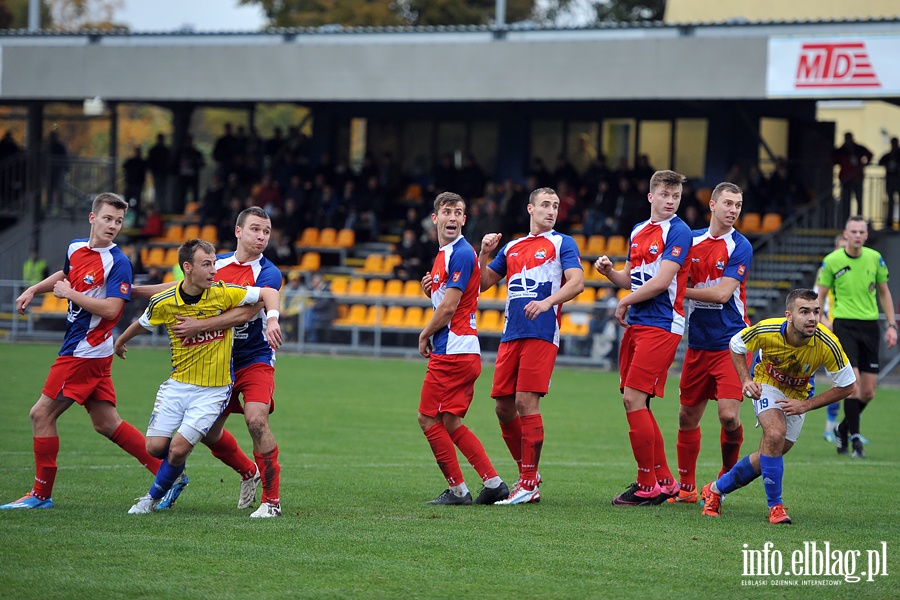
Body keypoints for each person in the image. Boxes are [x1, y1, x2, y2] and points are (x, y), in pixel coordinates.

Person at [1, 193, 163, 510]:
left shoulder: (118, 262)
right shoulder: (76, 248)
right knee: (106, 422)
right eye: (108, 218)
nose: (113, 225)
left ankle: (40, 495)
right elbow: (65, 275)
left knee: (40, 414)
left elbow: (113, 309)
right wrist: (34, 288)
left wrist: (71, 293)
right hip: (84, 348)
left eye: (118, 221)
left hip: (84, 350)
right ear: (92, 218)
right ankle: (167, 474)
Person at [133, 207, 287, 517]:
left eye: (266, 231)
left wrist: (270, 320)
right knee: (208, 433)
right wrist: (132, 292)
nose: (261, 236)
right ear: (238, 231)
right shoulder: (218, 265)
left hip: (255, 358)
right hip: (218, 362)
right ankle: (248, 472)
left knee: (256, 420)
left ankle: (272, 503)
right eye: (255, 229)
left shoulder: (269, 272)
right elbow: (180, 288)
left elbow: (246, 312)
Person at [700, 288, 856, 525]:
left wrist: (806, 405)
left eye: (815, 311)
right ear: (789, 315)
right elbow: (736, 344)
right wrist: (746, 380)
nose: (812, 318)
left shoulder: (827, 343)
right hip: (766, 384)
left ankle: (714, 489)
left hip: (799, 395)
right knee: (774, 434)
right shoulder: (767, 329)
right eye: (804, 311)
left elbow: (847, 386)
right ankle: (776, 507)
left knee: (771, 452)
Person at [478, 187, 585, 505]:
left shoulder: (562, 242)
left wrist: (547, 302)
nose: (552, 211)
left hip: (542, 332)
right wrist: (484, 252)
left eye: (555, 206)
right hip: (511, 333)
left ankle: (526, 483)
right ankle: (528, 476)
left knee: (526, 402)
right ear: (530, 208)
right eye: (545, 205)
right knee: (503, 407)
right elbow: (482, 283)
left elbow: (577, 282)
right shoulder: (511, 247)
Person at [594, 170, 691, 506]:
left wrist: (625, 300)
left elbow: (663, 281)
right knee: (639, 401)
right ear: (651, 196)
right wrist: (610, 274)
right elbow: (632, 281)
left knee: (633, 399)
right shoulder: (638, 231)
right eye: (665, 195)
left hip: (663, 323)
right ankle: (664, 481)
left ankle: (646, 484)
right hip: (639, 322)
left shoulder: (679, 231)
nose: (670, 201)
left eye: (675, 196)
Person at [417, 192, 509, 506]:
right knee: (451, 422)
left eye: (458, 212)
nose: (452, 217)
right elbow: (447, 299)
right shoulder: (445, 254)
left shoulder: (459, 252)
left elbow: (449, 309)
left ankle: (458, 491)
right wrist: (432, 292)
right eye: (447, 212)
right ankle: (494, 483)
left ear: (464, 220)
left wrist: (424, 333)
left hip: (452, 351)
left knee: (428, 419)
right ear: (435, 218)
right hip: (464, 349)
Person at [669, 182, 752, 503]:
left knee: (729, 416)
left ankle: (724, 481)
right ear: (713, 205)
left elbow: (721, 293)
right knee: (686, 417)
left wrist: (676, 290)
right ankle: (687, 488)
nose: (733, 210)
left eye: (739, 205)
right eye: (728, 203)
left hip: (732, 345)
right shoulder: (690, 240)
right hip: (698, 344)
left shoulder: (740, 245)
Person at [816, 216, 897, 459]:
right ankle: (855, 442)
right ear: (846, 234)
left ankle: (842, 428)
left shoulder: (875, 258)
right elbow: (820, 296)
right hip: (844, 327)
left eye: (862, 231)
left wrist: (891, 325)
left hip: (870, 326)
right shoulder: (832, 261)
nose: (858, 235)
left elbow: (885, 293)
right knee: (852, 386)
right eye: (854, 231)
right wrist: (820, 322)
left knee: (869, 391)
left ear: (866, 234)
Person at [816, 232, 847, 443]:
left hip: (847, 329)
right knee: (839, 382)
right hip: (830, 331)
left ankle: (847, 428)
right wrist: (827, 323)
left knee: (851, 383)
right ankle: (830, 429)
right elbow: (816, 300)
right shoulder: (826, 271)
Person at [832, 132, 873, 224]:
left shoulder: (858, 149)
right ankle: (846, 221)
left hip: (857, 178)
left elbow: (870, 154)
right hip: (846, 179)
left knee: (859, 200)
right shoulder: (842, 150)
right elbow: (833, 158)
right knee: (846, 202)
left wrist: (864, 164)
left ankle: (859, 220)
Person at [303, 273, 337, 343]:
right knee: (308, 314)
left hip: (326, 314)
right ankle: (310, 335)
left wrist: (314, 305)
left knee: (309, 315)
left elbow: (324, 304)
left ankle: (309, 335)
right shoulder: (314, 291)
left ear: (318, 282)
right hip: (317, 313)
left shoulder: (326, 290)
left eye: (314, 281)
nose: (312, 283)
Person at [879, 137, 900, 231]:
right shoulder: (889, 155)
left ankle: (895, 222)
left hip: (898, 180)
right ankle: (889, 221)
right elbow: (881, 161)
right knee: (890, 201)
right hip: (890, 180)